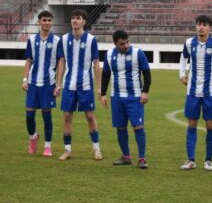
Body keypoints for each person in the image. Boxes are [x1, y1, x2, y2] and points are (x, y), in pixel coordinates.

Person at [179, 15, 212, 171]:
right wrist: (182, 74)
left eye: (204, 25)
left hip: (210, 92)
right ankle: (191, 160)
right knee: (191, 124)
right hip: (193, 91)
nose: (201, 27)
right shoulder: (189, 43)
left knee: (210, 125)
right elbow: (183, 58)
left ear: (210, 27)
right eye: (198, 24)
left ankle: (208, 160)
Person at [54, 9, 102, 161]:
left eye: (78, 18)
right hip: (69, 85)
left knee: (89, 116)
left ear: (84, 22)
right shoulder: (64, 39)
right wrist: (58, 83)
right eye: (73, 18)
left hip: (86, 85)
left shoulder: (91, 40)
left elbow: (96, 64)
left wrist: (99, 87)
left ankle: (96, 149)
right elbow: (61, 61)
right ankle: (67, 150)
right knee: (67, 116)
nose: (75, 20)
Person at [100, 30, 151, 169]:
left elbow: (147, 73)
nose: (126, 45)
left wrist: (145, 91)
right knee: (120, 127)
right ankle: (126, 156)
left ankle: (142, 158)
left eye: (127, 42)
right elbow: (105, 75)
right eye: (122, 44)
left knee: (138, 127)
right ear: (115, 44)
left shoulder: (138, 53)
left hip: (134, 97)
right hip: (116, 97)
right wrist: (103, 94)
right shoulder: (109, 55)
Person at [22, 10, 60, 156]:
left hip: (48, 83)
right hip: (32, 82)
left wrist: (58, 83)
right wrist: (25, 79)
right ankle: (33, 137)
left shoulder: (57, 41)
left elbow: (60, 61)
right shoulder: (32, 40)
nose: (47, 23)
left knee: (46, 116)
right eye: (44, 20)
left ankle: (48, 146)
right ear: (39, 22)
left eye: (49, 20)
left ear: (52, 22)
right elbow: (28, 60)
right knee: (29, 116)